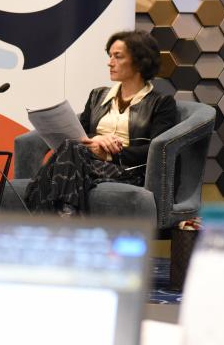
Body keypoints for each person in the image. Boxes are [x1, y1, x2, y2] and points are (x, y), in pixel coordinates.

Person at [24, 30, 178, 215]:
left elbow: (158, 148)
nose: (110, 62)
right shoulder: (97, 96)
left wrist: (110, 155)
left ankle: (41, 213)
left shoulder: (161, 103)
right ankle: (67, 215)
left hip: (128, 170)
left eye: (118, 56)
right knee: (71, 149)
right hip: (84, 160)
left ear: (140, 61)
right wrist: (97, 139)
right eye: (110, 56)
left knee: (63, 159)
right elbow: (81, 133)